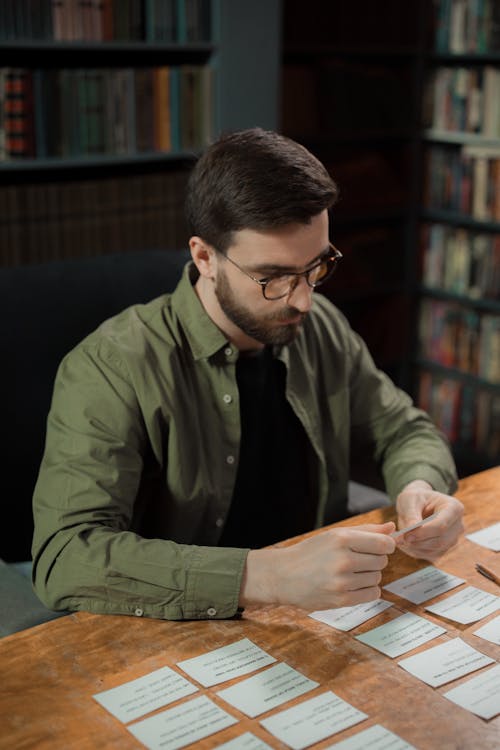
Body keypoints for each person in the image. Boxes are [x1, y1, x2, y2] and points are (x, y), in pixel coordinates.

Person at [32, 128, 463, 621]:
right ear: (204, 257)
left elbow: (404, 431)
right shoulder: (111, 367)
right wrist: (270, 577)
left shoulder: (320, 327)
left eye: (317, 268)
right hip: (176, 629)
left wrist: (421, 488)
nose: (303, 299)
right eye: (273, 277)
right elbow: (66, 556)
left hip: (321, 614)